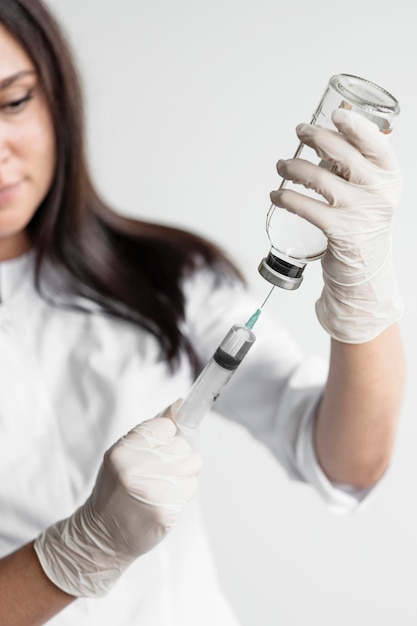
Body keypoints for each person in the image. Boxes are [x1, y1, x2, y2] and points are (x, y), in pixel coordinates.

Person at [0, 1, 405, 625]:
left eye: (12, 102)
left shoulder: (165, 277)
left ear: (56, 93)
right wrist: (71, 557)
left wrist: (364, 303)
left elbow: (345, 463)